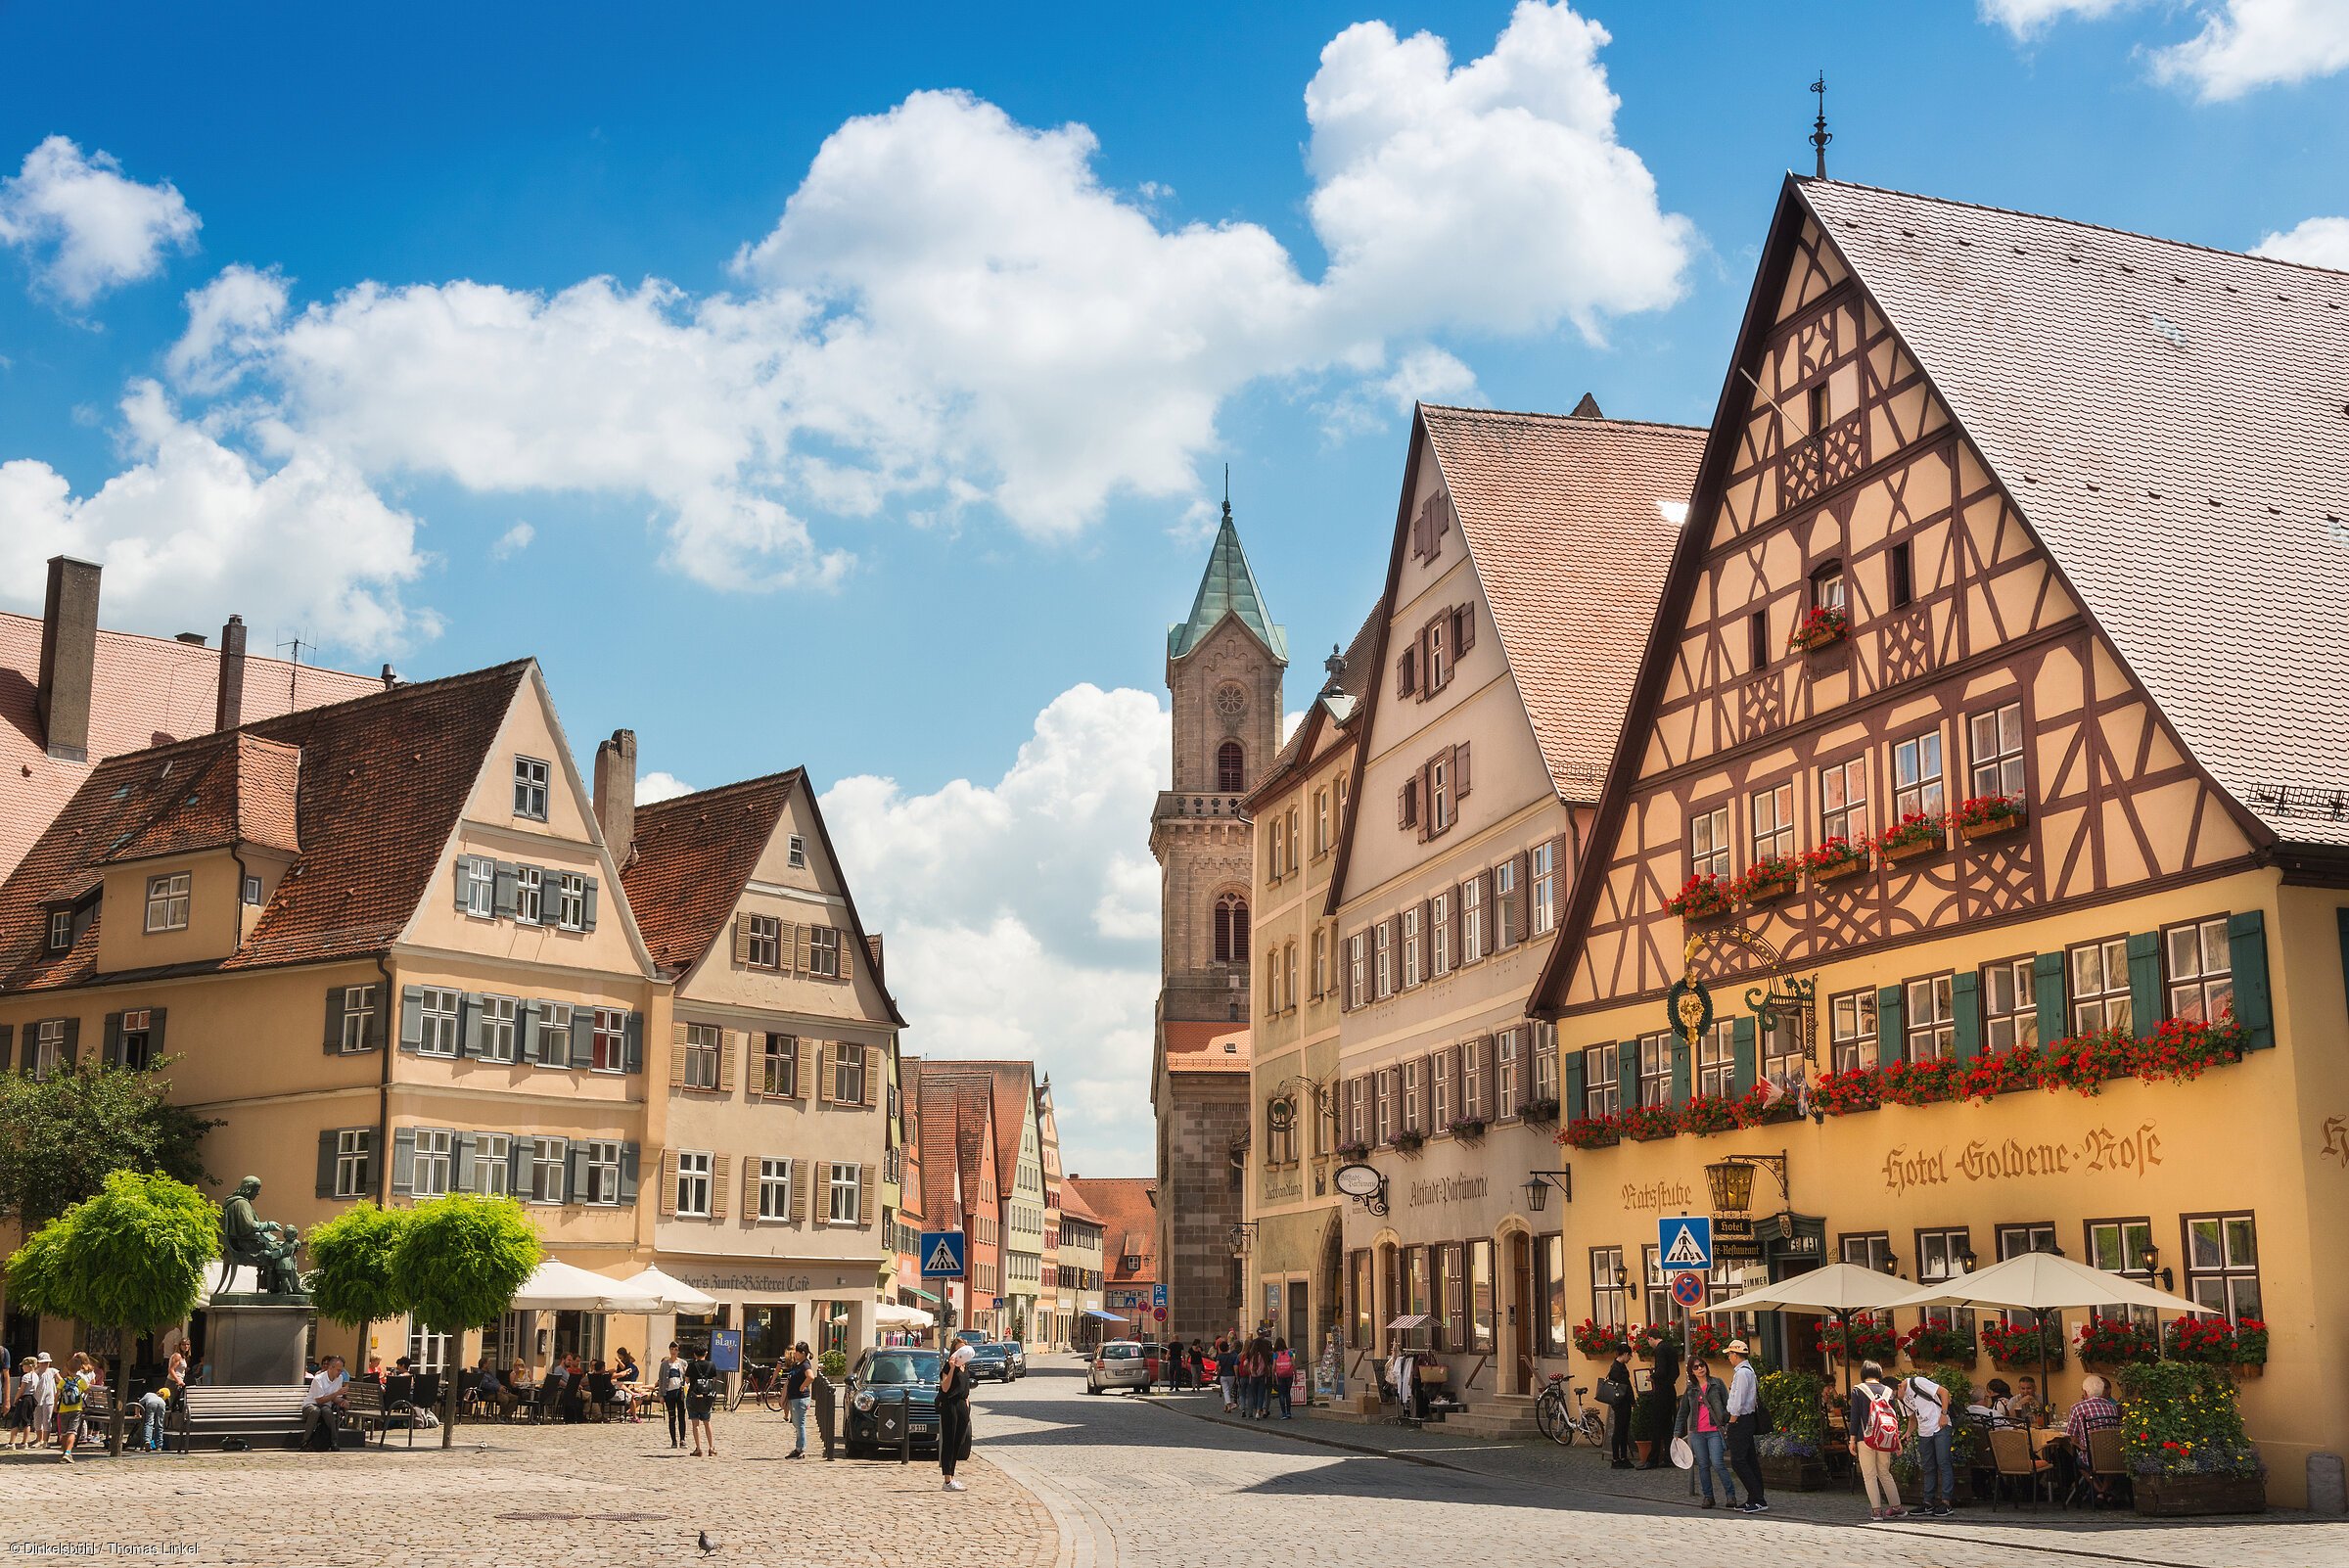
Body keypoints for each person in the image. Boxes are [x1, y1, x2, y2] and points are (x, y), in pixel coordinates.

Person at [1848, 1360, 1908, 1521]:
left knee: (1869, 1475)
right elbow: (1893, 1418)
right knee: (1884, 1473)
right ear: (1879, 1373)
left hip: (1865, 1438)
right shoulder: (1888, 1391)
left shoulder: (1858, 1390)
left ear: (1863, 1373)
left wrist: (1852, 1440)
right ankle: (1896, 1507)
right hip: (1885, 1437)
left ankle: (1876, 1511)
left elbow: (1855, 1417)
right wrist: (1897, 1442)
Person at [1674, 1357, 1737, 1508]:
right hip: (1697, 1432)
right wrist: (1676, 1432)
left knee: (1718, 1463)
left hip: (1714, 1429)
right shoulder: (1691, 1389)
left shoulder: (1717, 1383)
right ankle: (1708, 1497)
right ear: (1691, 1371)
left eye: (1702, 1365)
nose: (1700, 1369)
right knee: (1702, 1465)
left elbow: (1727, 1404)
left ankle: (1731, 1496)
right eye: (1695, 1367)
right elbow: (1683, 1412)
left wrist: (1728, 1422)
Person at [1723, 1339, 1769, 1513]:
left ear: (1735, 1354)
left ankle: (1757, 1498)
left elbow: (1739, 1402)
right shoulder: (1748, 1371)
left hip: (1741, 1420)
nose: (1729, 1358)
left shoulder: (1742, 1373)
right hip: (1746, 1419)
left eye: (1729, 1355)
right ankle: (1755, 1498)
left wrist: (1731, 1423)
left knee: (1739, 1461)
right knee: (1749, 1460)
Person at [1901, 1367, 1955, 1515]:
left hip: (1940, 1426)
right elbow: (1912, 1418)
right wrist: (1908, 1432)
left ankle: (1946, 1502)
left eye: (1895, 1394)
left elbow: (1944, 1392)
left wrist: (1944, 1414)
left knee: (1944, 1463)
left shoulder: (1917, 1382)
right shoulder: (1900, 1398)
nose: (1896, 1398)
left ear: (1899, 1386)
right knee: (1928, 1467)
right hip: (1924, 1431)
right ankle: (1928, 1502)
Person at [2065, 1373, 2124, 1506]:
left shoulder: (2077, 1408)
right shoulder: (2112, 1407)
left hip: (2091, 1457)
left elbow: (2072, 1436)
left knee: (2079, 1462)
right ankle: (2105, 1493)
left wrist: (2077, 1444)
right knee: (2109, 1464)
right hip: (2112, 1455)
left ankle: (2100, 1492)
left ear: (2085, 1392)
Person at [937, 1343, 975, 1492]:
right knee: (949, 1441)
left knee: (958, 1442)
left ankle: (951, 1476)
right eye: (959, 1349)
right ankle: (947, 1480)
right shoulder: (948, 1367)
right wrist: (952, 1368)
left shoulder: (966, 1368)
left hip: (961, 1406)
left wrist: (966, 1404)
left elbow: (966, 1389)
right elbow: (945, 1387)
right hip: (950, 1404)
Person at [1642, 1332, 1682, 1468]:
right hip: (1670, 1390)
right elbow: (1676, 1371)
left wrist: (1652, 1377)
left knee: (1657, 1425)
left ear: (1651, 1338)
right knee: (1667, 1426)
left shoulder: (1659, 1349)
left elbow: (1661, 1371)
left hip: (1662, 1391)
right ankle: (1668, 1457)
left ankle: (1653, 1459)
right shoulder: (1670, 1347)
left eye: (1648, 1341)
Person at [55, 1353, 94, 1463]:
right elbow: (87, 1390)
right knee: (72, 1431)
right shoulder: (81, 1381)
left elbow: (57, 1394)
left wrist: (55, 1406)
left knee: (63, 1432)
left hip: (63, 1409)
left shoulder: (63, 1381)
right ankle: (68, 1453)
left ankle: (64, 1452)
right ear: (79, 1368)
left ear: (67, 1369)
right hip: (76, 1409)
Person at [779, 1342, 814, 1457]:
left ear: (803, 1353)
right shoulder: (797, 1364)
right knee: (796, 1423)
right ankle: (798, 1447)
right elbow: (789, 1380)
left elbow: (811, 1377)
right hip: (794, 1398)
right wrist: (783, 1395)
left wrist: (802, 1386)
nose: (795, 1353)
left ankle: (801, 1449)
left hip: (800, 1399)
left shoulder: (805, 1365)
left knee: (800, 1424)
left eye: (797, 1352)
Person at [1599, 1354, 1635, 1467]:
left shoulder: (1620, 1367)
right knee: (1619, 1430)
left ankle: (1623, 1457)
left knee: (1623, 1430)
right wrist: (1632, 1400)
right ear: (1624, 1354)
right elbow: (1625, 1386)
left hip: (1623, 1402)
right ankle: (1616, 1458)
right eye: (1629, 1355)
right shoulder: (1616, 1369)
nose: (1630, 1358)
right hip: (1620, 1403)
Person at [684, 1344, 718, 1456]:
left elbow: (687, 1380)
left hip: (693, 1396)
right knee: (707, 1423)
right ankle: (711, 1447)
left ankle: (698, 1448)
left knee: (695, 1424)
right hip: (706, 1397)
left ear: (694, 1354)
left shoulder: (691, 1366)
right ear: (706, 1353)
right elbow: (713, 1380)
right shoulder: (711, 1365)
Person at [658, 1342, 688, 1449]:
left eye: (675, 1349)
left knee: (681, 1416)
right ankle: (674, 1440)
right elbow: (661, 1380)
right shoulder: (664, 1364)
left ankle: (683, 1439)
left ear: (678, 1350)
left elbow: (687, 1378)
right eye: (672, 1349)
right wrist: (661, 1395)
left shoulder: (683, 1363)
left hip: (680, 1392)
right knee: (672, 1417)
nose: (673, 1351)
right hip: (669, 1393)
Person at [31, 1354, 57, 1450]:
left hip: (49, 1398)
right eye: (43, 1363)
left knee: (47, 1419)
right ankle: (39, 1439)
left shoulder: (52, 1371)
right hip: (37, 1398)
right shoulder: (36, 1373)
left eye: (47, 1363)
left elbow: (60, 1381)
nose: (45, 1364)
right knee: (38, 1419)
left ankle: (45, 1441)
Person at [1271, 1339, 1295, 1419]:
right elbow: (1293, 1364)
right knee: (1288, 1393)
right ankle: (1289, 1412)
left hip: (1280, 1376)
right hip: (1289, 1375)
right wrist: (1295, 1375)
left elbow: (1274, 1367)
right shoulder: (1289, 1352)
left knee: (1281, 1394)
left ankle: (1283, 1413)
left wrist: (1273, 1377)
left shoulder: (1276, 1354)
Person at [1216, 1336, 1236, 1411]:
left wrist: (1217, 1370)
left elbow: (1217, 1364)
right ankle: (1227, 1407)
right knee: (1228, 1391)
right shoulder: (1232, 1356)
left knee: (1226, 1391)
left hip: (1223, 1375)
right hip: (1231, 1375)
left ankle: (1228, 1404)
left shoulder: (1220, 1356)